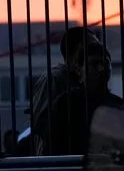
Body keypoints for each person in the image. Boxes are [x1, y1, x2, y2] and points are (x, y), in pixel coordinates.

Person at [29, 26, 104, 155]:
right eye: (93, 46)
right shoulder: (54, 79)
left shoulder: (88, 82)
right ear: (80, 48)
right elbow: (41, 124)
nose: (98, 50)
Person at [46, 39, 124, 155]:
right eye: (94, 64)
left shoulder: (118, 105)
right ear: (78, 69)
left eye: (105, 63)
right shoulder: (65, 104)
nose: (101, 69)